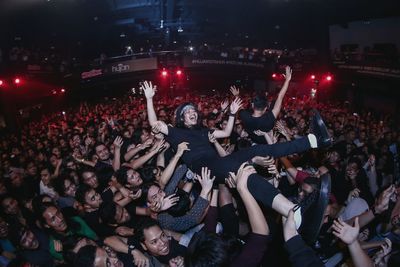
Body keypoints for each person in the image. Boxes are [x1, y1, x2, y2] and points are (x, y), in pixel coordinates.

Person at [142, 80, 331, 231]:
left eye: (193, 111)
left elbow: (224, 134)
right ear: (181, 118)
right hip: (204, 169)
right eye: (187, 112)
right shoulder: (176, 133)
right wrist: (149, 99)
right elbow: (155, 124)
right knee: (250, 161)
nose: (192, 113)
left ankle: (294, 212)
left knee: (248, 168)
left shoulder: (202, 131)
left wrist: (232, 114)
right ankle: (312, 141)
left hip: (218, 162)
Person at [237, 66, 292, 144]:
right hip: (266, 146)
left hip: (252, 144)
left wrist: (236, 95)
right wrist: (287, 80)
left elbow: (239, 106)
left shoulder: (244, 115)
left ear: (252, 105)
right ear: (266, 108)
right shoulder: (269, 119)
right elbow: (280, 97)